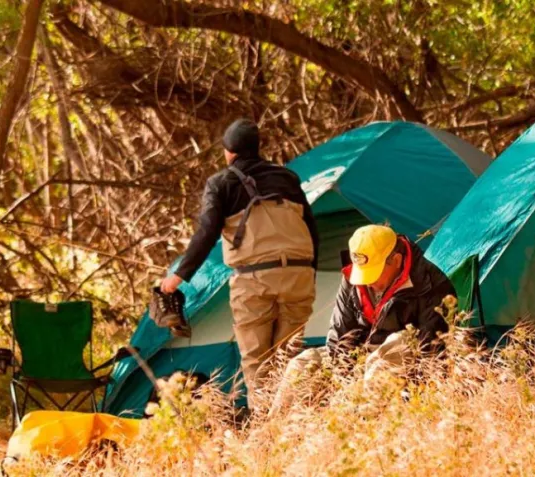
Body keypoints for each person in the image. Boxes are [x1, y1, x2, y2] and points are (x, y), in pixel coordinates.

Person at [159, 118, 319, 403]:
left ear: (228, 151)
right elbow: (311, 229)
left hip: (254, 279)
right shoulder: (287, 178)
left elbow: (207, 232)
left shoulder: (221, 183)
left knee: (257, 359)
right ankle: (292, 422)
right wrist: (309, 273)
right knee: (288, 356)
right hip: (299, 275)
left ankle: (268, 432)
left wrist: (177, 277)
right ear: (257, 148)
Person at [269, 224, 454, 415]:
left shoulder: (433, 285)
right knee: (303, 363)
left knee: (396, 345)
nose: (366, 281)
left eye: (374, 272)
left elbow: (432, 353)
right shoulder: (354, 279)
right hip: (358, 360)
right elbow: (338, 337)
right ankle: (273, 435)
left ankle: (359, 424)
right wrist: (343, 381)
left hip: (402, 365)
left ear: (396, 260)